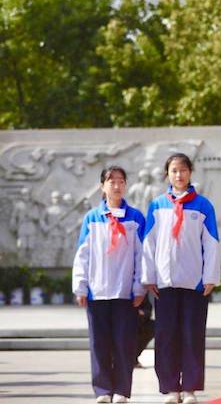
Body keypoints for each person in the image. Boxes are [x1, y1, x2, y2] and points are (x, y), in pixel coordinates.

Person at [142, 153, 221, 404]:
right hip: (164, 284)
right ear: (167, 174)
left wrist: (210, 276)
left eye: (183, 170)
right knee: (166, 337)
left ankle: (189, 389)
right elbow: (148, 244)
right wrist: (148, 277)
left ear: (190, 172)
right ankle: (170, 389)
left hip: (194, 283)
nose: (179, 175)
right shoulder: (157, 206)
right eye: (174, 170)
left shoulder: (203, 205)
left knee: (192, 335)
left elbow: (211, 243)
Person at [72, 166, 146, 404]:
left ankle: (122, 390)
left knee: (124, 344)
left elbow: (142, 256)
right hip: (97, 292)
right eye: (111, 181)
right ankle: (103, 390)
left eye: (121, 181)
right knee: (99, 344)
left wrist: (139, 287)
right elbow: (83, 255)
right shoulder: (92, 218)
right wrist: (81, 287)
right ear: (102, 187)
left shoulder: (136, 218)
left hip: (125, 293)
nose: (116, 185)